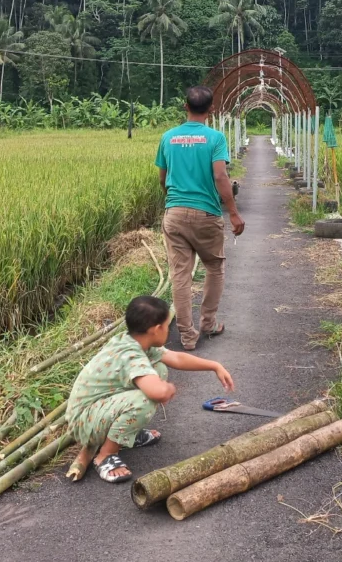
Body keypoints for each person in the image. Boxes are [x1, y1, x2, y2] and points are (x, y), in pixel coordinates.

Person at [65, 295, 234, 483]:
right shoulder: (131, 355)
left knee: (158, 370)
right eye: (167, 326)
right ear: (156, 330)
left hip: (99, 410)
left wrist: (214, 365)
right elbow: (157, 393)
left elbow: (176, 358)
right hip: (84, 422)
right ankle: (105, 455)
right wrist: (168, 389)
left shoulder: (136, 341)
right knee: (144, 400)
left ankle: (126, 435)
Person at [155, 85, 246, 351]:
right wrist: (233, 212)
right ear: (211, 110)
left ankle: (187, 335)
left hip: (174, 213)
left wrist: (173, 201)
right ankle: (208, 324)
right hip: (206, 213)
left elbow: (162, 178)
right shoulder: (215, 138)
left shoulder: (168, 137)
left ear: (185, 107)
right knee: (214, 267)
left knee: (180, 275)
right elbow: (220, 176)